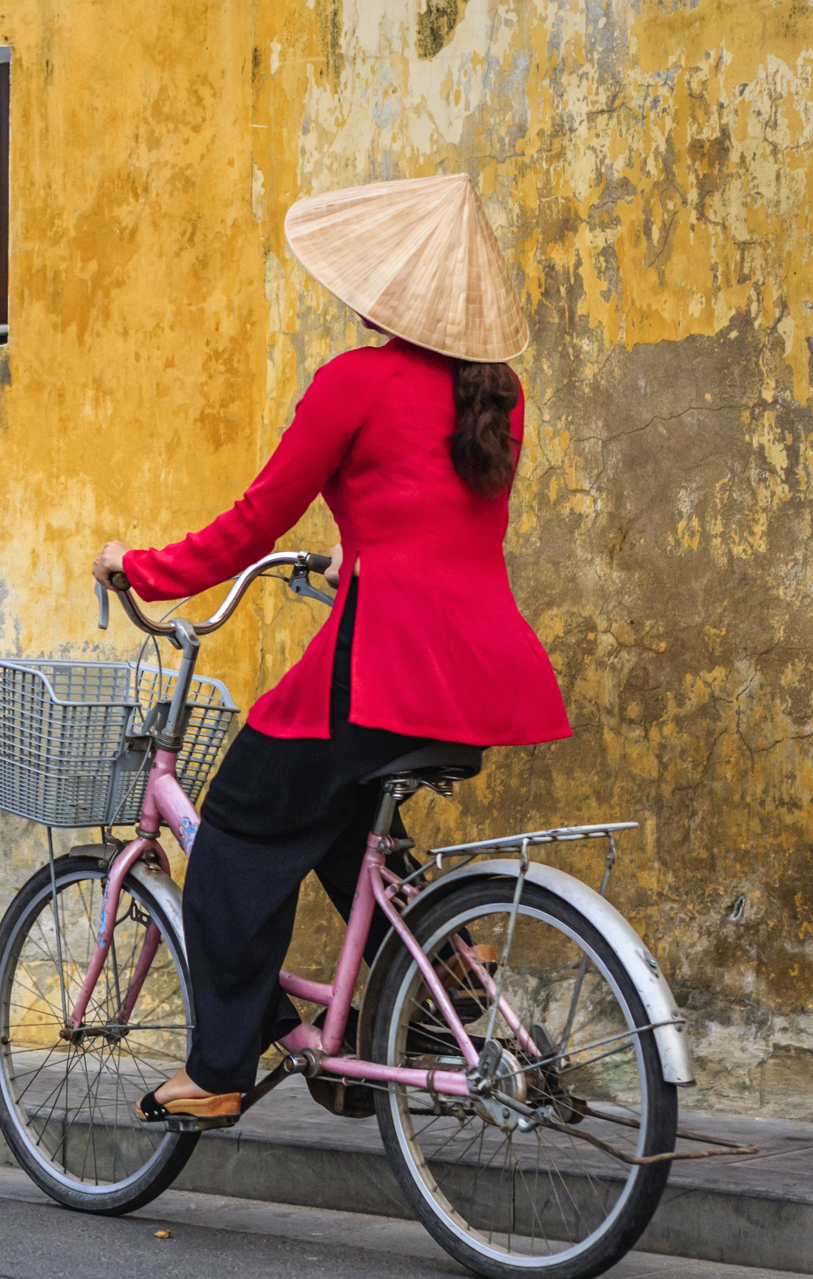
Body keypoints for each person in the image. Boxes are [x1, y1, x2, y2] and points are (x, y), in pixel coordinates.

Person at [91, 173, 573, 1125]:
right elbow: (426, 518)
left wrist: (141, 567)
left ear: (386, 293)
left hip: (384, 664)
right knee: (350, 844)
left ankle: (220, 1069)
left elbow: (253, 522)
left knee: (234, 828)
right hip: (480, 669)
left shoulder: (356, 381)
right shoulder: (497, 398)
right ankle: (421, 1021)